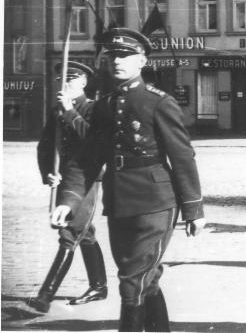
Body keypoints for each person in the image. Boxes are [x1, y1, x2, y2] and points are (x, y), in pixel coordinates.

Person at [51, 28, 205, 332]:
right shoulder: (105, 105)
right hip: (119, 204)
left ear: (142, 60)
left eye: (126, 55)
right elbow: (88, 158)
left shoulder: (158, 102)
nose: (118, 61)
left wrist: (194, 210)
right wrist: (69, 202)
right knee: (144, 278)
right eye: (112, 56)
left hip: (156, 206)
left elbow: (183, 157)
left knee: (130, 281)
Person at [31, 61, 107, 313]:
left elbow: (93, 144)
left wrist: (69, 111)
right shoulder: (56, 111)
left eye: (71, 79)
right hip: (65, 180)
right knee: (84, 232)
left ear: (83, 82)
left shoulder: (93, 109)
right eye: (61, 79)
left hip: (86, 180)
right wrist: (48, 173)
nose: (65, 84)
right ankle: (99, 286)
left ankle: (45, 296)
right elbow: (44, 147)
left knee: (69, 233)